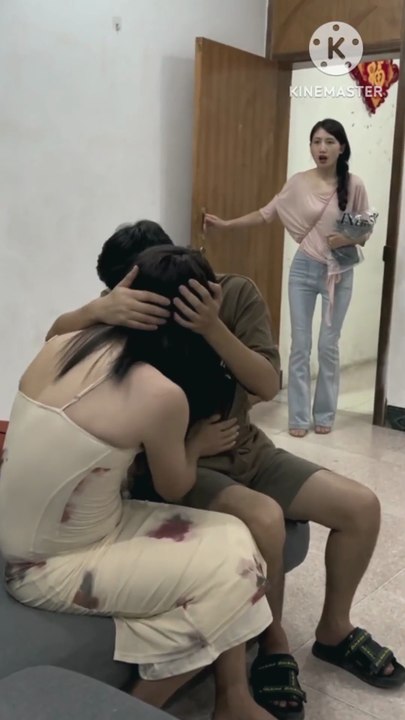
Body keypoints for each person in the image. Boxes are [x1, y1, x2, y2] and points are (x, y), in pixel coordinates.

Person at [47, 221, 405, 720]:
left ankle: (334, 630)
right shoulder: (130, 310)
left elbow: (267, 384)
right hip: (185, 465)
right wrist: (96, 311)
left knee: (361, 507)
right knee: (263, 517)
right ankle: (273, 641)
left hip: (248, 448)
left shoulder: (233, 294)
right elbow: (56, 345)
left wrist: (212, 327)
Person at [0, 246, 278, 720]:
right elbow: (175, 487)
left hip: (35, 535)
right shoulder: (160, 395)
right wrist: (197, 445)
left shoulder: (60, 344)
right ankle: (138, 706)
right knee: (239, 572)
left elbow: (60, 326)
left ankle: (232, 700)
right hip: (46, 566)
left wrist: (96, 310)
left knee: (236, 534)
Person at [205, 118, 371, 438]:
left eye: (329, 142)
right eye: (316, 141)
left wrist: (345, 239)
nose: (322, 148)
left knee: (328, 345)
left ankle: (324, 413)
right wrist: (225, 225)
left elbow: (365, 232)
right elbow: (265, 214)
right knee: (300, 346)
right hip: (304, 269)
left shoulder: (355, 185)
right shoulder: (297, 182)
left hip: (339, 272)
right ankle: (298, 417)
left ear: (342, 147)